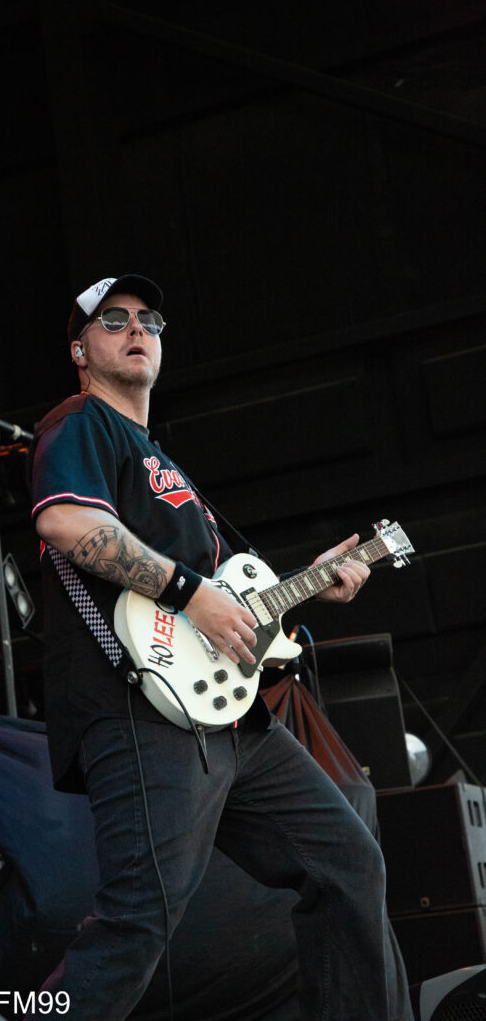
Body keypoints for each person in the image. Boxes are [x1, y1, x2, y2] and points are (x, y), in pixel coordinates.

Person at [29, 274, 412, 1021]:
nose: (136, 330)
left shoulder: (163, 463)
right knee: (137, 920)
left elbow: (231, 604)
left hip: (229, 719)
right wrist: (191, 594)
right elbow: (66, 525)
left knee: (345, 863)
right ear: (79, 350)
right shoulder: (79, 424)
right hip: (141, 708)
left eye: (150, 321)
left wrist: (306, 587)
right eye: (114, 320)